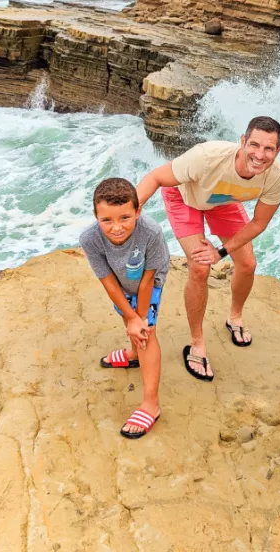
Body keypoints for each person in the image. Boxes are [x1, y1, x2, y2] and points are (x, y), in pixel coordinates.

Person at [136, 116, 280, 381]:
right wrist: (130, 213)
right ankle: (197, 343)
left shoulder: (275, 176)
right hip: (183, 197)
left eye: (269, 149)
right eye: (254, 145)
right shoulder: (207, 157)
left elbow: (259, 222)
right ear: (242, 141)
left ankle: (235, 317)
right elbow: (157, 177)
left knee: (248, 264)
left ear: (278, 150)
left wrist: (221, 251)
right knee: (200, 268)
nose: (260, 155)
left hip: (222, 201)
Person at [80, 177, 170, 439]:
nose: (116, 227)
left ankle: (150, 404)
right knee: (128, 317)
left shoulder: (151, 232)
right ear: (96, 216)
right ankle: (133, 352)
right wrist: (130, 317)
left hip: (148, 282)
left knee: (146, 332)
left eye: (125, 218)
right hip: (119, 281)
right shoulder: (90, 238)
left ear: (137, 211)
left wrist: (139, 319)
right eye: (106, 220)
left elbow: (147, 280)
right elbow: (108, 281)